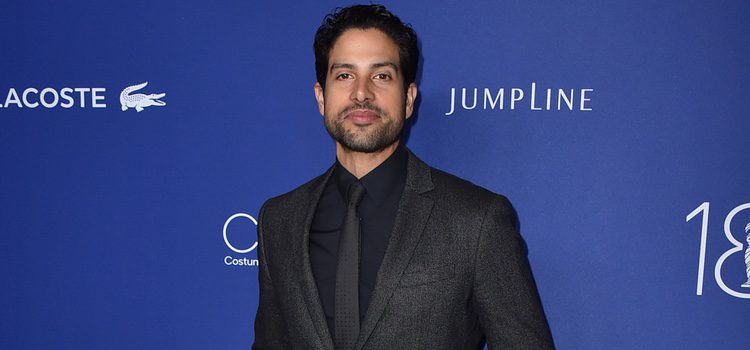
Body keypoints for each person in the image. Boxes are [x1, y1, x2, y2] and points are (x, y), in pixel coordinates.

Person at [253, 4, 554, 349]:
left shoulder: (477, 221)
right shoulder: (279, 220)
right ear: (321, 97)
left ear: (408, 99)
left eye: (381, 76)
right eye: (344, 75)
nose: (362, 93)